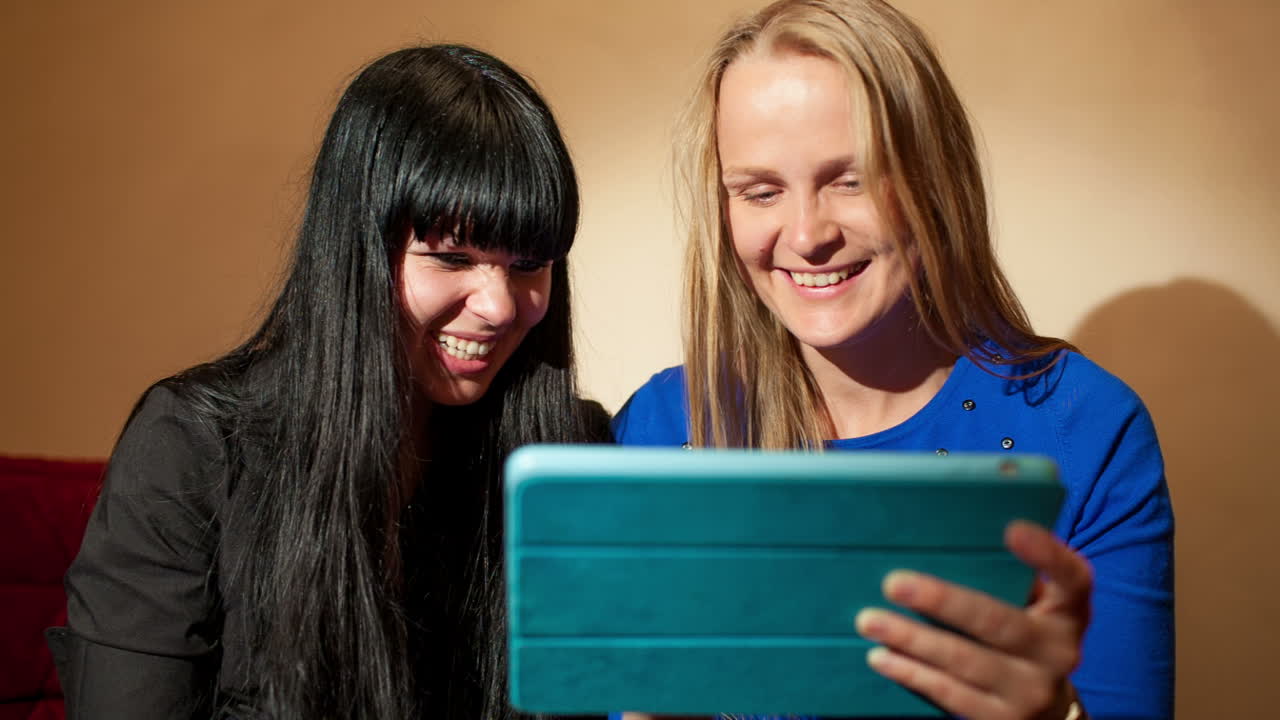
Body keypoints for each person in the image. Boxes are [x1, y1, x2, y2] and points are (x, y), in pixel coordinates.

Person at [612, 1, 1174, 719]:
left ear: (934, 180)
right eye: (761, 191)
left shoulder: (1088, 429)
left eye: (852, 179)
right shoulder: (660, 426)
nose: (809, 234)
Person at [47, 45, 609, 720]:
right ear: (356, 252)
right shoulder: (193, 446)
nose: (499, 304)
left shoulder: (569, 454)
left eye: (528, 263)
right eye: (452, 257)